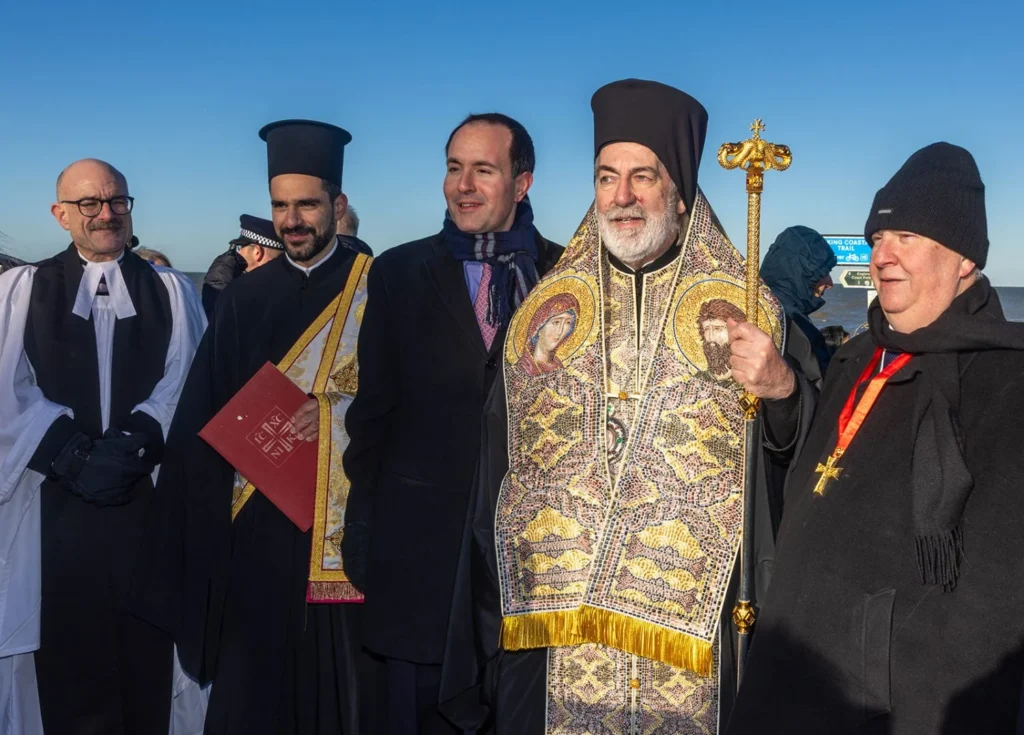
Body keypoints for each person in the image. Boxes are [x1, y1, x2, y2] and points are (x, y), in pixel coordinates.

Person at [438, 80, 788, 735]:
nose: (621, 196)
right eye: (607, 176)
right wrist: (482, 625)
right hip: (555, 643)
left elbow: (793, 467)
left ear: (678, 193)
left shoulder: (753, 314)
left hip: (697, 639)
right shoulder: (542, 318)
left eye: (642, 177)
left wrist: (784, 393)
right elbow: (498, 486)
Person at [725, 143, 1024, 733]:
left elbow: (995, 609)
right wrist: (785, 393)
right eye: (875, 238)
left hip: (883, 704)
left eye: (905, 237)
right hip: (788, 667)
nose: (880, 254)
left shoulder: (1005, 382)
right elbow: (826, 458)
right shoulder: (857, 355)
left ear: (964, 257)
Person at [130, 120, 383, 733]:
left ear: (337, 205)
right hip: (256, 529)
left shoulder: (377, 293)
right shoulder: (244, 299)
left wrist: (332, 414)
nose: (292, 220)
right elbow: (204, 415)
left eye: (306, 205)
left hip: (343, 532)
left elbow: (400, 404)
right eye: (280, 206)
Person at [342, 112, 562, 734]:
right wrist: (365, 520)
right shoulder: (399, 272)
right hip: (421, 558)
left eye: (483, 170)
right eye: (454, 167)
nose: (463, 184)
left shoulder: (565, 276)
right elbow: (372, 413)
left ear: (521, 183)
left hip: (532, 561)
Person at [0, 158, 206, 733]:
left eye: (117, 201)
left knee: (146, 648)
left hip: (145, 504)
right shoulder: (19, 290)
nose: (105, 214)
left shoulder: (168, 290)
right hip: (52, 509)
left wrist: (139, 438)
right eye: (89, 203)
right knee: (66, 658)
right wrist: (69, 452)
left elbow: (189, 378)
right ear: (61, 213)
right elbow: (1, 388)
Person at [759, 225, 837, 388]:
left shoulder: (759, 308)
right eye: (823, 273)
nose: (830, 283)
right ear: (804, 272)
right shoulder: (793, 324)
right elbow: (818, 390)